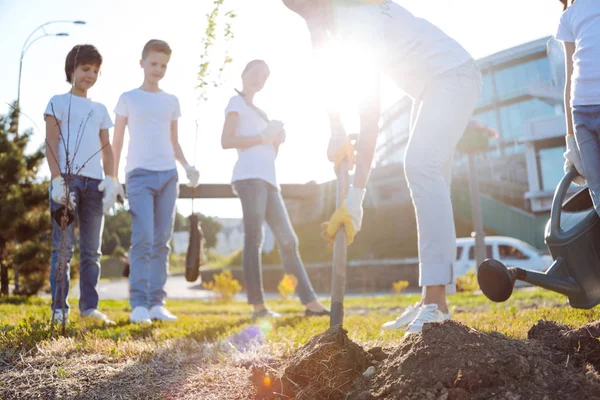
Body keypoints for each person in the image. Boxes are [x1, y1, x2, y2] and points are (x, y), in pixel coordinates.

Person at [282, 0, 482, 334]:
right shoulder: (329, 17)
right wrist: (336, 130)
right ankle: (429, 300)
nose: (312, 23)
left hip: (453, 74)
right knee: (426, 175)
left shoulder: (357, 20)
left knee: (421, 167)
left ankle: (436, 304)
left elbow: (370, 116)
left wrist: (356, 201)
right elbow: (325, 73)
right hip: (432, 87)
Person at [221, 59, 329, 318]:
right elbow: (226, 141)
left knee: (289, 240)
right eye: (255, 72)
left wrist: (276, 141)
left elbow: (268, 154)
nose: (259, 78)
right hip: (249, 179)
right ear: (244, 73)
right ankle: (258, 306)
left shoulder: (263, 114)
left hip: (269, 180)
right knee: (254, 239)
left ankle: (310, 302)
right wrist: (263, 137)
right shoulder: (235, 103)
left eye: (264, 76)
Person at [112, 39, 200, 324]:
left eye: (163, 65)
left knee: (162, 242)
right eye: (153, 64)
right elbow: (117, 142)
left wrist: (187, 166)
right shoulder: (128, 98)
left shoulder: (171, 101)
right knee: (144, 238)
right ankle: (138, 303)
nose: (158, 69)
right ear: (142, 63)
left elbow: (174, 141)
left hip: (168, 176)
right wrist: (112, 177)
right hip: (138, 175)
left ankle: (155, 304)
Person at [44, 44, 118, 325]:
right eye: (85, 69)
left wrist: (111, 180)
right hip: (68, 181)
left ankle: (88, 308)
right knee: (63, 248)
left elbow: (107, 148)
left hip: (95, 185)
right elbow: (51, 143)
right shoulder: (58, 102)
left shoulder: (100, 109)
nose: (91, 75)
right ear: (72, 69)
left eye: (96, 71)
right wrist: (56, 180)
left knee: (92, 251)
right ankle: (59, 308)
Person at [557, 0, 600, 203]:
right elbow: (569, 79)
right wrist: (570, 139)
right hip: (580, 113)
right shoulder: (568, 17)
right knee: (598, 194)